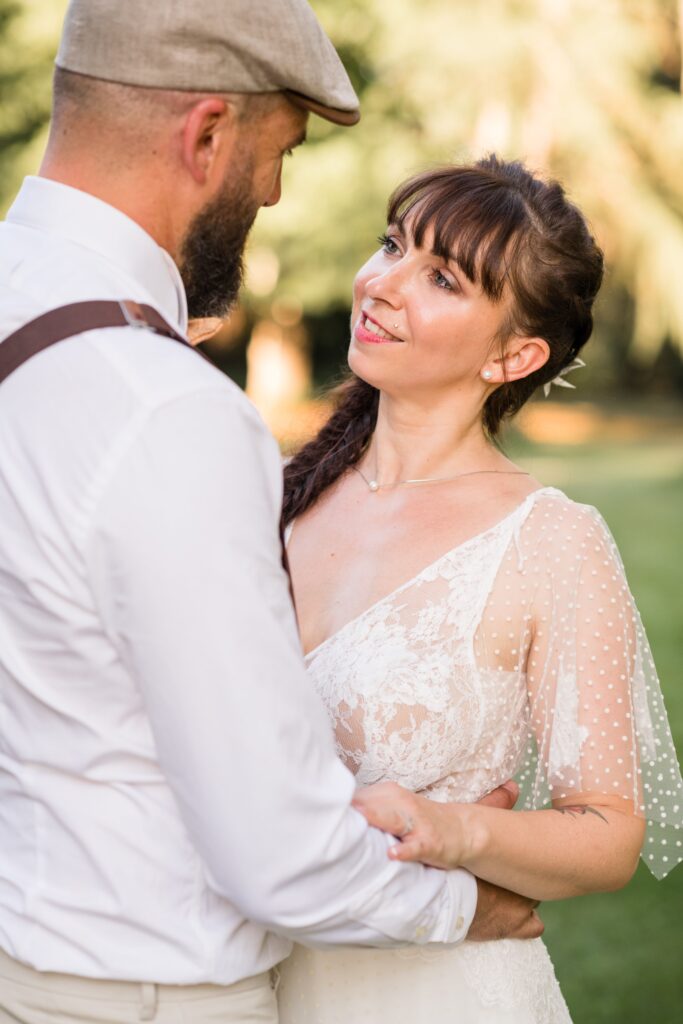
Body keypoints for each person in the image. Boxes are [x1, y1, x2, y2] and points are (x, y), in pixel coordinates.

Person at [0, 4, 542, 1024]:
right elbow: (280, 858)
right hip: (144, 996)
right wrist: (475, 904)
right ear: (205, 134)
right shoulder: (165, 410)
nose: (276, 192)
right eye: (277, 149)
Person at [277, 155, 683, 1023]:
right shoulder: (270, 495)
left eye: (440, 278)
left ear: (515, 354)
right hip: (237, 979)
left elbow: (609, 832)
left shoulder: (549, 542)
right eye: (390, 245)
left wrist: (453, 830)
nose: (380, 284)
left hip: (432, 995)